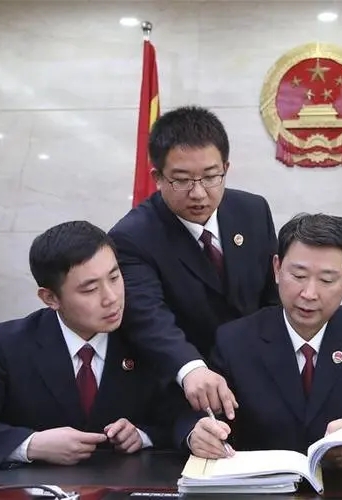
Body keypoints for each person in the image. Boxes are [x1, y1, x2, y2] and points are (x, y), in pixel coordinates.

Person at [0, 221, 193, 469]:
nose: (111, 298)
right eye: (90, 289)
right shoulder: (7, 345)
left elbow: (184, 415)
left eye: (114, 277)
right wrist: (32, 445)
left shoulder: (148, 337)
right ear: (50, 298)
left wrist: (142, 435)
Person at [186, 213, 342, 467]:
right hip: (263, 485)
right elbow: (197, 415)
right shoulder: (235, 340)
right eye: (299, 276)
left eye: (326, 280)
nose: (309, 294)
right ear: (277, 269)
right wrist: (196, 434)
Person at [109, 106, 279, 420]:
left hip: (259, 379)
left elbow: (273, 296)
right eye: (182, 180)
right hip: (186, 395)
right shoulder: (132, 237)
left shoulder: (253, 210)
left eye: (211, 177)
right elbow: (148, 317)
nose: (199, 193)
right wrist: (190, 369)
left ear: (226, 168)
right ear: (157, 178)